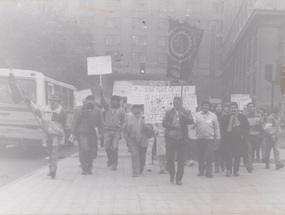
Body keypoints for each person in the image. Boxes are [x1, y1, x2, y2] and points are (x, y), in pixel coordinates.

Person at [24, 95, 68, 179]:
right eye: (51, 100)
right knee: (50, 151)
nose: (52, 102)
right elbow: (35, 110)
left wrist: (67, 135)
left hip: (56, 135)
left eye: (54, 101)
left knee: (54, 152)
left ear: (58, 102)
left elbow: (67, 125)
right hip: (47, 135)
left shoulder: (61, 112)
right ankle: (51, 168)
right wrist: (29, 103)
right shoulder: (44, 110)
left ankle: (53, 171)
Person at [162, 96, 194, 185]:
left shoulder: (187, 111)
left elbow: (191, 121)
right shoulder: (169, 112)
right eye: (174, 102)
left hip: (182, 139)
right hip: (170, 138)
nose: (175, 104)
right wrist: (172, 126)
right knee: (170, 158)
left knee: (181, 160)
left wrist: (183, 115)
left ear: (181, 103)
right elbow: (164, 123)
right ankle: (172, 174)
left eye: (177, 102)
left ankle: (179, 178)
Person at [72, 95, 104, 175]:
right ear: (86, 101)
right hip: (83, 134)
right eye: (88, 100)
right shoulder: (81, 110)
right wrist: (74, 132)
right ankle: (83, 167)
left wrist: (101, 133)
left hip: (93, 134)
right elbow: (77, 121)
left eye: (92, 100)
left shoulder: (98, 111)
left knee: (92, 151)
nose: (90, 101)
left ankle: (89, 167)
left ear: (94, 101)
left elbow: (101, 123)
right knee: (84, 149)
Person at [123, 105, 153, 177]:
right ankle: (135, 171)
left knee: (142, 156)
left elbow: (151, 128)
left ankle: (140, 168)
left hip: (143, 140)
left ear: (141, 110)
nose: (136, 111)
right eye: (135, 109)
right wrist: (126, 137)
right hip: (132, 140)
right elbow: (124, 128)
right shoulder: (128, 118)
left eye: (138, 109)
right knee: (134, 155)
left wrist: (146, 125)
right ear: (132, 110)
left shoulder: (145, 118)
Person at [221, 102, 249, 177]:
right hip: (228, 139)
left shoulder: (242, 117)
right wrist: (224, 137)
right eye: (231, 108)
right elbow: (222, 128)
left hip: (239, 139)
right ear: (229, 109)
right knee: (228, 155)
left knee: (237, 155)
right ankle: (228, 170)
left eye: (234, 108)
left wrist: (244, 136)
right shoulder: (225, 117)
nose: (233, 109)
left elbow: (246, 127)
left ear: (237, 109)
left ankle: (236, 170)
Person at [100, 87, 125, 170]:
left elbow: (123, 120)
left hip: (116, 131)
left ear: (118, 101)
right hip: (107, 130)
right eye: (113, 100)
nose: (114, 101)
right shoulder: (107, 108)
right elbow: (103, 102)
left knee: (115, 147)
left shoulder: (121, 110)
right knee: (106, 147)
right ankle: (110, 159)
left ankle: (114, 163)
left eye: (116, 100)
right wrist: (101, 93)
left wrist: (121, 128)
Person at [194, 102, 220, 178]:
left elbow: (216, 127)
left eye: (207, 106)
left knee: (209, 155)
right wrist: (193, 125)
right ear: (201, 107)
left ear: (209, 107)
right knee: (200, 155)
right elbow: (192, 127)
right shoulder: (196, 115)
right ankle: (201, 171)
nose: (206, 107)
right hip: (199, 138)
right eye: (204, 105)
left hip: (209, 139)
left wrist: (218, 135)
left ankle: (209, 172)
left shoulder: (213, 115)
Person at [244, 102, 263, 172]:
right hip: (248, 136)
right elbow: (243, 127)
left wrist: (259, 126)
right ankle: (249, 165)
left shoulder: (258, 116)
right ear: (247, 108)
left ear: (254, 108)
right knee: (249, 150)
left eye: (252, 106)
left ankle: (250, 163)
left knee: (253, 151)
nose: (251, 108)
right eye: (249, 107)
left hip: (256, 136)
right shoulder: (245, 116)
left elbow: (262, 127)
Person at [213, 103, 225, 173]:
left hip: (224, 135)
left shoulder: (225, 115)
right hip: (215, 135)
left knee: (223, 150)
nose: (218, 108)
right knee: (216, 151)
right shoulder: (212, 115)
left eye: (220, 106)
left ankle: (223, 165)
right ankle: (216, 166)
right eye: (217, 106)